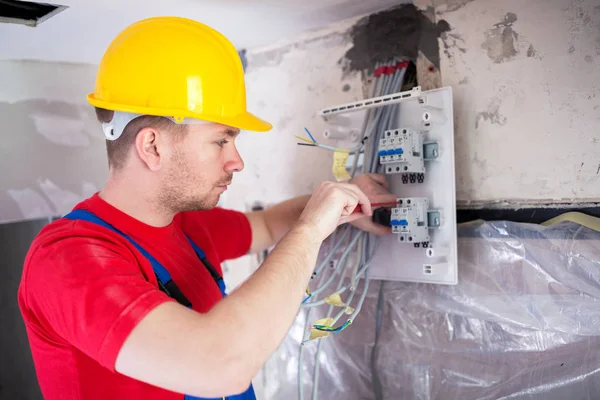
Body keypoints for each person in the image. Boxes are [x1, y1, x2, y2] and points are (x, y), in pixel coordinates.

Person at [17, 16, 396, 400]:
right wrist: (312, 230)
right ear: (152, 147)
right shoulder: (67, 260)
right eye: (221, 140)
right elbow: (219, 366)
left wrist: (342, 199)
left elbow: (267, 224)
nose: (237, 161)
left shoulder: (187, 222)